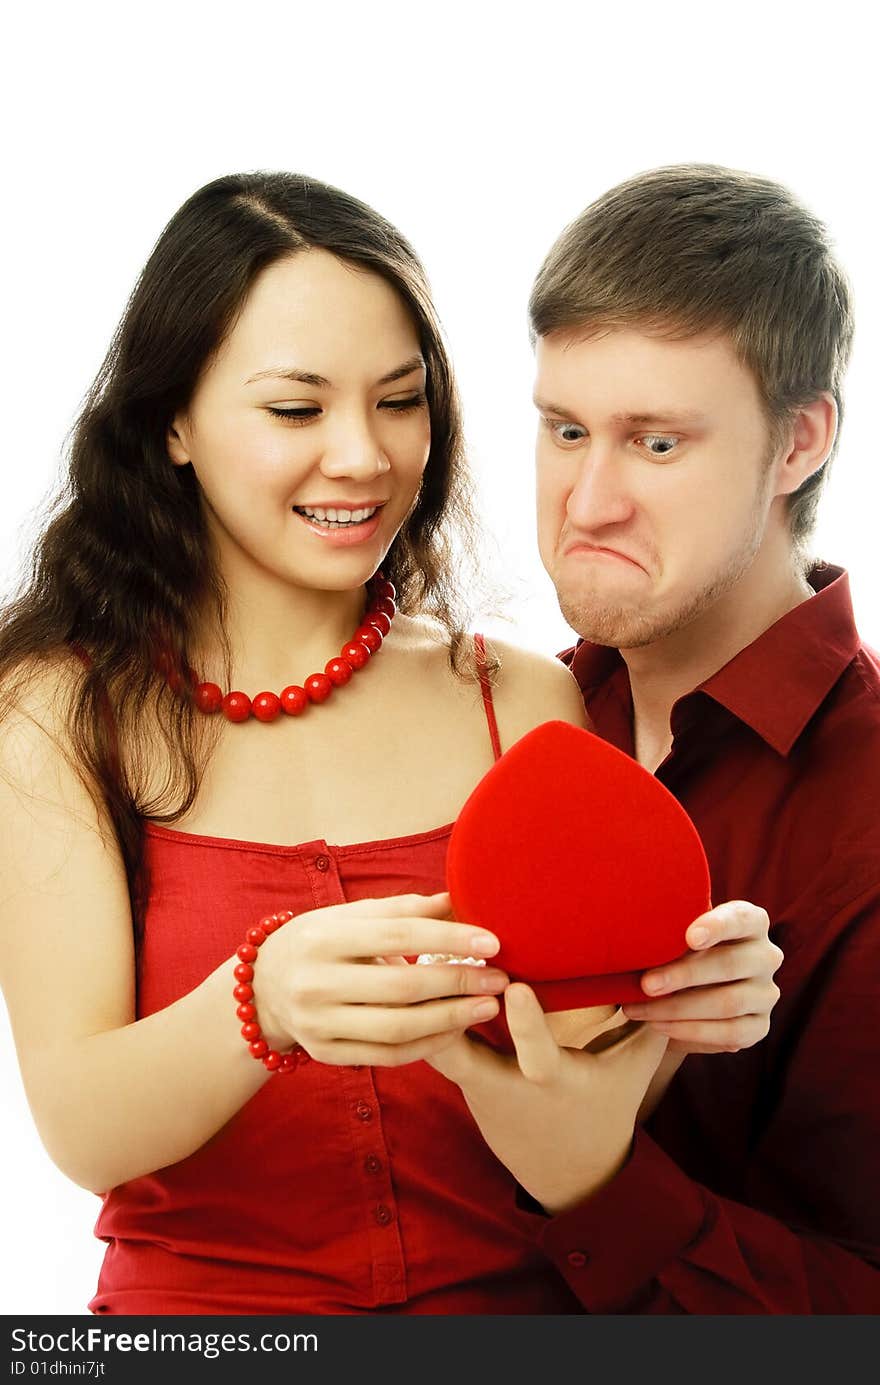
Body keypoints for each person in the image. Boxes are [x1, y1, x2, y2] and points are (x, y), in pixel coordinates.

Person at [0, 171, 780, 1317]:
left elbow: (566, 1097)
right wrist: (256, 1002)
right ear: (172, 420)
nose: (363, 457)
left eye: (400, 400)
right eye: (295, 409)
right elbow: (83, 1127)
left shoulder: (518, 699)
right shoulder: (56, 712)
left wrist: (683, 1008)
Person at [430, 164, 880, 1313]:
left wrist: (597, 1183)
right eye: (565, 428)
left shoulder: (866, 816)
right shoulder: (500, 719)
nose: (586, 501)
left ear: (797, 445)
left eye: (657, 443)